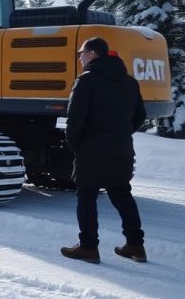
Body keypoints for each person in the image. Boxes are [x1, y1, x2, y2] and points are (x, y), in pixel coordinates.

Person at [61, 37, 148, 264]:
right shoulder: (129, 82)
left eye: (81, 53)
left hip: (91, 150)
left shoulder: (86, 81)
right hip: (121, 149)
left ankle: (88, 248)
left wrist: (75, 144)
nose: (79, 57)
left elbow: (75, 118)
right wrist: (121, 133)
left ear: (92, 54)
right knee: (122, 194)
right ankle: (136, 246)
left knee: (86, 197)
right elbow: (140, 115)